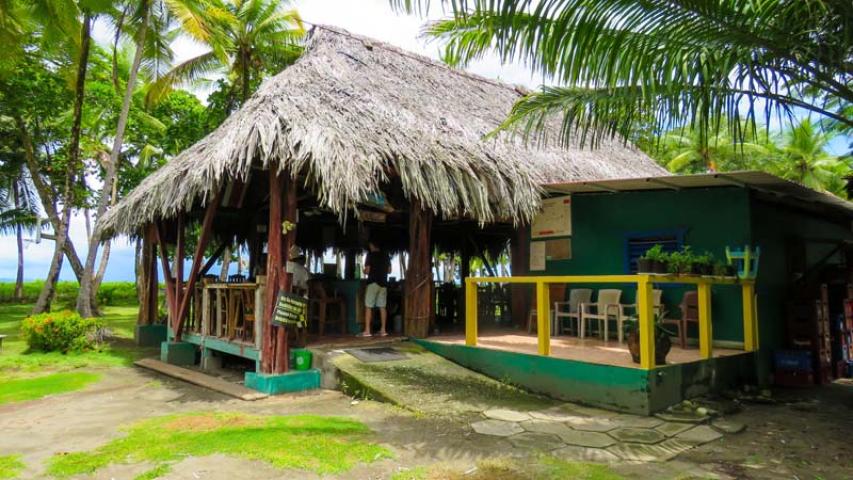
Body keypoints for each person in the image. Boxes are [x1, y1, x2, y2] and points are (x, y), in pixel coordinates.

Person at [360, 241, 391, 337]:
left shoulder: (370, 255)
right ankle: (383, 330)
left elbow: (367, 270)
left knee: (369, 306)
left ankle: (367, 331)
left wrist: (364, 270)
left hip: (373, 283)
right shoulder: (386, 255)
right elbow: (389, 271)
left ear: (371, 245)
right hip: (383, 284)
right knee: (382, 307)